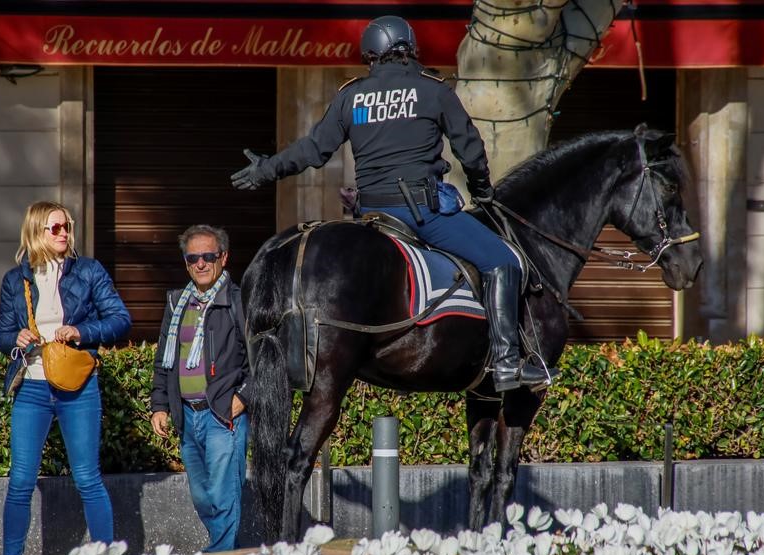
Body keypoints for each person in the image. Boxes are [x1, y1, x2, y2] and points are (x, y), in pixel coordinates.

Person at [230, 15, 552, 391]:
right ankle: (507, 363)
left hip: (373, 215)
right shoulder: (432, 89)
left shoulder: (352, 95)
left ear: (371, 55)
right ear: (409, 49)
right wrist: (482, 189)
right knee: (503, 259)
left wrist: (265, 170)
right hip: (424, 214)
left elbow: (314, 150)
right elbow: (470, 148)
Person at [0, 201, 131, 555]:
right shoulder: (15, 280)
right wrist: (15, 338)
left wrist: (82, 331)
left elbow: (120, 319)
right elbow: (1, 335)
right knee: (21, 480)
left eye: (66, 226)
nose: (64, 233)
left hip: (78, 386)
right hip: (33, 389)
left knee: (87, 477)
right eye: (55, 228)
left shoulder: (88, 271)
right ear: (37, 231)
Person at [149, 224, 251, 552]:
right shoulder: (177, 303)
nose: (201, 264)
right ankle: (228, 551)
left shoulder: (239, 302)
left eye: (209, 256)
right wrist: (160, 405)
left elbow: (262, 361)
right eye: (193, 258)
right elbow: (165, 360)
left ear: (223, 257)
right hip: (187, 417)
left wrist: (242, 398)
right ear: (186, 262)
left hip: (223, 415)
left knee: (223, 493)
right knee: (201, 496)